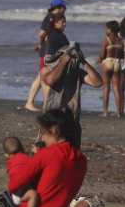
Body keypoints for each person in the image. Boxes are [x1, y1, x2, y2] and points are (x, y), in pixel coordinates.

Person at [6, 109, 87, 207]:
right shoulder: (81, 160)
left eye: (43, 133)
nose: (42, 138)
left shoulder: (47, 154)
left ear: (54, 131)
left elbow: (14, 184)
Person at [39, 15, 103, 149]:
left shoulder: (75, 73)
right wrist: (63, 62)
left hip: (71, 119)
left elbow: (98, 83)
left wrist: (83, 62)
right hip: (52, 120)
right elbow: (51, 80)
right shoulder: (46, 70)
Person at [3, 136, 43, 207]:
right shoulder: (25, 158)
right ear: (22, 148)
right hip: (19, 194)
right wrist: (36, 153)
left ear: (7, 155)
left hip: (15, 192)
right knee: (33, 194)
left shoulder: (10, 162)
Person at [98, 20, 124, 117]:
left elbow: (102, 54)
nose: (105, 30)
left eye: (107, 28)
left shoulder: (107, 40)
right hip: (117, 63)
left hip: (108, 62)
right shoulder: (121, 40)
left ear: (111, 30)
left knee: (106, 87)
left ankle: (105, 111)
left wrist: (99, 59)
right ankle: (118, 112)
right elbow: (122, 55)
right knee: (116, 88)